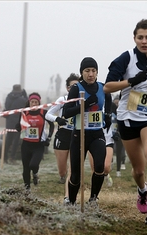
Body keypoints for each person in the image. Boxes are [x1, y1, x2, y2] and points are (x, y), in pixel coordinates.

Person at [103, 19, 147, 225]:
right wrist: (130, 82)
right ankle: (142, 191)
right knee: (138, 169)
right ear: (134, 38)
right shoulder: (126, 59)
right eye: (140, 37)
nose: (144, 41)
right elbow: (107, 87)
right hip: (127, 117)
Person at [63, 57, 112, 207]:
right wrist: (83, 106)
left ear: (97, 72)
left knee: (100, 167)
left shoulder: (102, 87)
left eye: (93, 71)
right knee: (76, 175)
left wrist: (108, 115)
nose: (90, 74)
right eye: (87, 71)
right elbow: (66, 112)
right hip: (79, 135)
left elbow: (108, 99)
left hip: (97, 134)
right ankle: (71, 202)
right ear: (82, 72)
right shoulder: (77, 89)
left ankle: (93, 199)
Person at [45, 73, 80, 205]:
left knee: (73, 169)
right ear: (67, 88)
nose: (74, 89)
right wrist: (57, 119)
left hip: (76, 134)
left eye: (77, 86)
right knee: (63, 170)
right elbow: (48, 114)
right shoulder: (63, 99)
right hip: (63, 134)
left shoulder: (82, 100)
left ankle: (68, 197)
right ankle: (62, 176)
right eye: (71, 86)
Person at [15, 92, 54, 190]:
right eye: (32, 102)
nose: (34, 104)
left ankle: (35, 174)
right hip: (26, 144)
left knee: (33, 165)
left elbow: (52, 125)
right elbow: (19, 127)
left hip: (39, 145)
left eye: (36, 102)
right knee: (26, 168)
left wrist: (49, 137)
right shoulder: (24, 113)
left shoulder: (44, 113)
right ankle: (27, 188)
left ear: (39, 103)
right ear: (29, 102)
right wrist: (18, 127)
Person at [3, 84, 28, 164]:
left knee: (8, 140)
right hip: (18, 122)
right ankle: (12, 157)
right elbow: (27, 105)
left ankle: (4, 157)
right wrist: (25, 96)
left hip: (9, 121)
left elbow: (6, 106)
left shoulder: (8, 97)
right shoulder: (22, 99)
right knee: (16, 141)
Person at [112, 94, 126, 177]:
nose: (117, 105)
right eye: (115, 103)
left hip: (119, 133)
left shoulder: (122, 110)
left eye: (118, 103)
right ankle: (110, 163)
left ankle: (119, 169)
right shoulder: (111, 110)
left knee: (120, 151)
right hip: (110, 133)